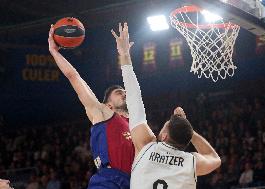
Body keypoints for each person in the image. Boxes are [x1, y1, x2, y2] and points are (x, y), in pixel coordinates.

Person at [111, 22, 221, 189]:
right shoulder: (192, 162)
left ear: (163, 136)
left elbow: (134, 101)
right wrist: (190, 132)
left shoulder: (146, 145)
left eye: (164, 127)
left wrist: (125, 55)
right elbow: (215, 158)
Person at [48, 25, 135, 189]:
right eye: (118, 92)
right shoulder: (103, 114)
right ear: (108, 105)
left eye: (124, 91)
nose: (124, 93)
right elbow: (74, 77)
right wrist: (55, 52)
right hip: (109, 181)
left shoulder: (138, 126)